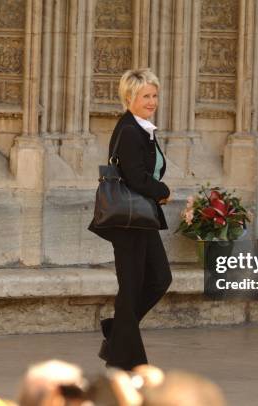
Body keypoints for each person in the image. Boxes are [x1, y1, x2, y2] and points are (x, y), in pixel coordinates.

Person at [88, 68, 172, 371]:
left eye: (154, 95)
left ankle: (118, 332)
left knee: (159, 278)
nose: (152, 101)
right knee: (133, 285)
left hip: (141, 218)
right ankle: (127, 360)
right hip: (128, 220)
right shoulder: (129, 130)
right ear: (129, 98)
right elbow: (136, 177)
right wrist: (162, 190)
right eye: (145, 96)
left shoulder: (142, 129)